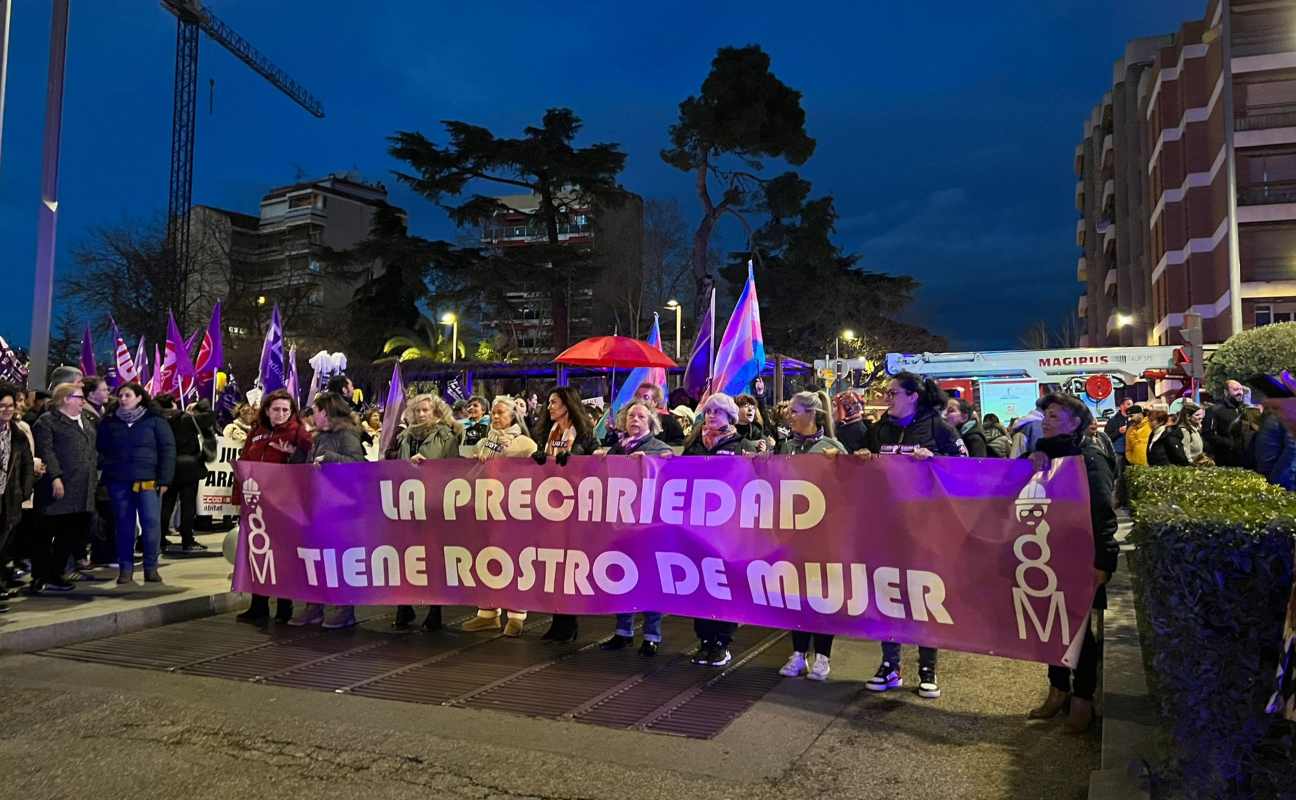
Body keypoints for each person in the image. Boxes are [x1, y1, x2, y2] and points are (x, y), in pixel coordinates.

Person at [860, 372, 965, 699]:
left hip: (927, 526)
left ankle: (927, 670)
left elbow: (969, 465)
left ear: (913, 396)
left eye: (893, 393)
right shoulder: (880, 428)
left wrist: (935, 460)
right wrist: (859, 461)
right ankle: (890, 666)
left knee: (923, 597)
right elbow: (869, 470)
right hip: (887, 526)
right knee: (887, 594)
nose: (887, 398)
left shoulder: (937, 427)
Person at [1025, 393, 1119, 733]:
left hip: (1081, 557)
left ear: (1075, 422)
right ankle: (1057, 689)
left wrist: (1103, 561)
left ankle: (1082, 700)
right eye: (1045, 415)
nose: (1046, 420)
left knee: (1080, 632)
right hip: (1044, 555)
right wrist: (1031, 458)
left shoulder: (1090, 459)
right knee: (1050, 624)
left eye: (1054, 415)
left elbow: (1103, 515)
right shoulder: (1042, 454)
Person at [683, 393, 760, 667]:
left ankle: (722, 642)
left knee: (723, 585)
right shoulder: (694, 444)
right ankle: (704, 640)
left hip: (728, 530)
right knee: (699, 584)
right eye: (708, 412)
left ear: (730, 416)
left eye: (717, 412)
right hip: (697, 527)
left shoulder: (743, 446)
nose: (711, 416)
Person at [775, 392, 845, 682]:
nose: (789, 415)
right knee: (795, 595)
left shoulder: (832, 447)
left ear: (811, 413)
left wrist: (845, 463)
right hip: (791, 534)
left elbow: (849, 489)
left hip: (822, 536)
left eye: (794, 410)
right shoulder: (786, 447)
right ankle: (798, 652)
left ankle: (823, 656)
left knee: (821, 595)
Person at [599, 400, 673, 656]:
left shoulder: (659, 448)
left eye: (641, 417)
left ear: (650, 422)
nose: (635, 420)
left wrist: (650, 462)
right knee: (622, 576)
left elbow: (671, 478)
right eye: (631, 416)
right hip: (622, 524)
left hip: (649, 525)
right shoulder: (617, 449)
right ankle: (623, 631)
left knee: (650, 578)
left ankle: (652, 635)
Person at [288, 392, 366, 630]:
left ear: (327, 412)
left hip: (341, 507)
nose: (313, 414)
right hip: (319, 503)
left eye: (317, 410)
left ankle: (343, 608)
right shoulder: (318, 436)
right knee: (316, 558)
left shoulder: (347, 434)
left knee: (338, 560)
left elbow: (358, 464)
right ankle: (315, 604)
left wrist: (329, 458)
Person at [236, 389, 312, 625]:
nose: (280, 414)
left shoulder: (298, 432)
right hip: (256, 502)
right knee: (258, 554)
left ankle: (284, 606)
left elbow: (310, 459)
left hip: (284, 504)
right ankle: (258, 605)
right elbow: (244, 462)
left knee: (282, 556)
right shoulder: (256, 432)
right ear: (267, 410)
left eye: (285, 410)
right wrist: (239, 499)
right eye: (276, 409)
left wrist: (293, 454)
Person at [463, 396, 537, 636]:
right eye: (493, 413)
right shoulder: (483, 442)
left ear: (513, 416)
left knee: (514, 561)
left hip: (514, 511)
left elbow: (533, 470)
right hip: (485, 509)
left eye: (501, 413)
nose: (495, 417)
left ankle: (516, 615)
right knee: (485, 559)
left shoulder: (526, 444)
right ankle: (487, 613)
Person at [532, 386, 599, 642]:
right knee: (552, 566)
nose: (549, 407)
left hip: (574, 508)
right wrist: (537, 457)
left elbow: (597, 462)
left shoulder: (583, 435)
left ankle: (569, 620)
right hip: (548, 506)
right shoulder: (545, 434)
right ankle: (557, 619)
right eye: (549, 403)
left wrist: (577, 460)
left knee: (569, 566)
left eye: (554, 403)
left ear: (567, 405)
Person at [391, 395, 463, 632]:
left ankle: (435, 609)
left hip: (433, 506)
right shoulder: (404, 437)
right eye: (417, 410)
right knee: (404, 557)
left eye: (426, 410)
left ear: (436, 412)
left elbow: (453, 470)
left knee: (432, 559)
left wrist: (429, 468)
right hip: (407, 505)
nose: (421, 414)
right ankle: (404, 606)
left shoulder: (446, 437)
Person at [96, 383, 176, 584]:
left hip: (149, 481)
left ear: (139, 397)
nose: (123, 399)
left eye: (128, 395)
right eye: (121, 395)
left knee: (151, 525)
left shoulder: (155, 421)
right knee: (124, 526)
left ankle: (151, 568)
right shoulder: (110, 422)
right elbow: (101, 448)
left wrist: (165, 479)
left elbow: (168, 450)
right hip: (119, 481)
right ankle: (125, 569)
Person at [31, 382, 98, 593]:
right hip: (58, 488)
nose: (83, 401)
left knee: (72, 534)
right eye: (79, 397)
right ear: (65, 399)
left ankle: (57, 572)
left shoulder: (85, 421)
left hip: (82, 488)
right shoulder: (48, 422)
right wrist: (55, 476)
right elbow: (46, 451)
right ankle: (43, 576)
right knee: (48, 533)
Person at [161, 396, 217, 553]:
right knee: (188, 506)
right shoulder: (185, 419)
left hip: (170, 466)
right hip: (189, 467)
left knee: (167, 505)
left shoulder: (159, 420)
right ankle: (187, 539)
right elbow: (210, 417)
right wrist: (202, 405)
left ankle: (160, 539)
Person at [0, 384, 34, 613]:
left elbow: (27, 464)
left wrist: (24, 490)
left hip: (8, 498)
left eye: (10, 406)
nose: (7, 410)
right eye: (2, 406)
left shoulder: (17, 433)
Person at [1203, 379, 1250, 467]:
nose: (1240, 392)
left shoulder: (1244, 410)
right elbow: (1208, 434)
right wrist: (1229, 444)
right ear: (1226, 392)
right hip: (1224, 461)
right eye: (1236, 390)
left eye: (1241, 389)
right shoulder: (1214, 410)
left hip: (1245, 460)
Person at [1104, 397, 1134, 473]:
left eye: (1131, 405)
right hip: (1119, 454)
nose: (1131, 407)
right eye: (1128, 404)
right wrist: (1118, 432)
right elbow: (1107, 438)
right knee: (1119, 476)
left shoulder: (1133, 420)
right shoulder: (1113, 421)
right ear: (1121, 406)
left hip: (1132, 453)